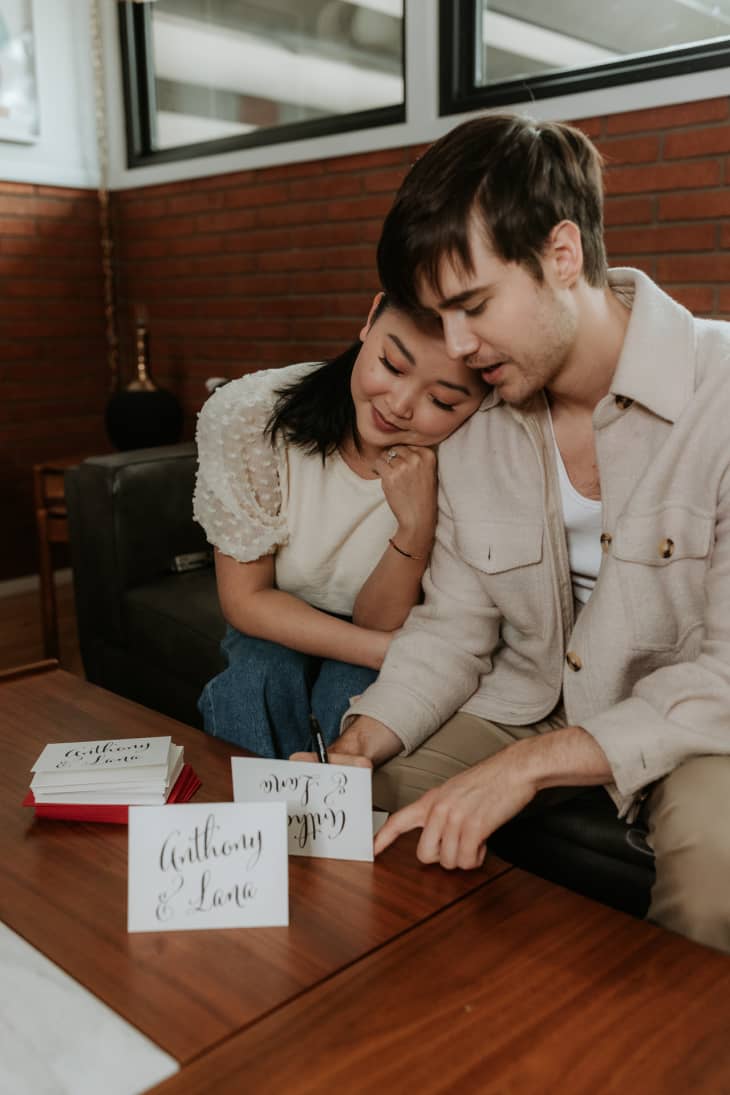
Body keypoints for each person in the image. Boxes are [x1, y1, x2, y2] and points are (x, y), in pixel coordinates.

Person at [306, 113, 730, 953]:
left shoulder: (721, 392)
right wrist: (363, 737)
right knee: (349, 807)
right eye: (436, 315)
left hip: (690, 721)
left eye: (472, 305)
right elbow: (453, 626)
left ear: (561, 254)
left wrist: (525, 768)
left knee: (720, 869)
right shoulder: (480, 420)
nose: (457, 349)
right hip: (528, 699)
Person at [193, 293, 485, 758]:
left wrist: (415, 526)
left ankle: (338, 827)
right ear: (370, 319)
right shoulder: (250, 415)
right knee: (253, 685)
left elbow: (379, 618)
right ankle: (246, 825)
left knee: (350, 706)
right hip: (282, 612)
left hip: (392, 622)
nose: (400, 405)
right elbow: (246, 599)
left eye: (442, 400)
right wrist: (388, 652)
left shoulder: (477, 452)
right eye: (391, 365)